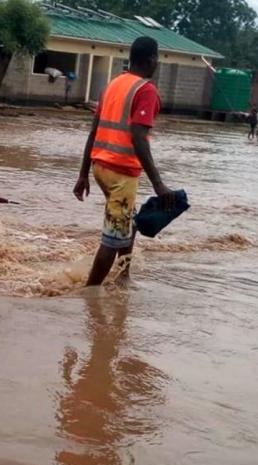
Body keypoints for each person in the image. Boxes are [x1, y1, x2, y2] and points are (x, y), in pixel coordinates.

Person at [73, 36, 174, 286]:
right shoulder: (146, 90)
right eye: (157, 58)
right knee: (113, 235)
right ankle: (90, 293)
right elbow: (139, 138)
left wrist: (83, 174)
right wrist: (159, 184)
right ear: (151, 60)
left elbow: (93, 132)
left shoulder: (111, 86)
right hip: (121, 174)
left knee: (127, 221)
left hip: (100, 168)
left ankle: (123, 276)